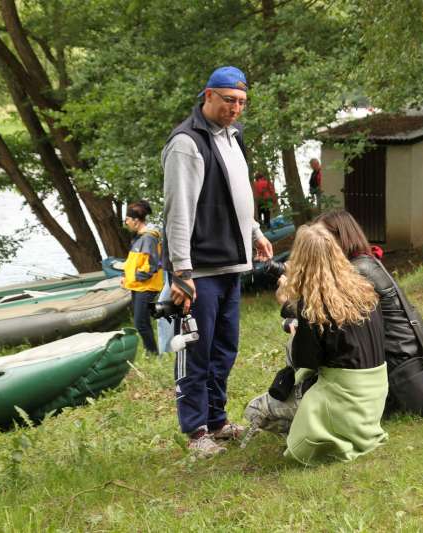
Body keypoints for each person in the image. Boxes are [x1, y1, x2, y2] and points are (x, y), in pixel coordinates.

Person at [162, 65, 273, 458]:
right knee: (197, 350)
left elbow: (239, 195)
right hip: (200, 269)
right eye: (229, 100)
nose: (236, 109)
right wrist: (181, 272)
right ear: (208, 95)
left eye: (242, 102)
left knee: (225, 348)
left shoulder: (234, 137)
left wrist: (256, 234)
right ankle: (196, 432)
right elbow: (178, 213)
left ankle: (218, 420)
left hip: (231, 265)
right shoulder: (186, 143)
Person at [247, 224, 389, 466]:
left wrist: (291, 305)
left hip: (343, 402)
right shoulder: (365, 291)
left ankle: (317, 437)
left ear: (300, 260)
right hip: (373, 400)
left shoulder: (313, 308)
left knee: (254, 410)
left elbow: (303, 360)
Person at [315, 209, 423, 417]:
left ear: (340, 237)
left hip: (399, 369)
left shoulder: (358, 270)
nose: (319, 245)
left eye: (323, 238)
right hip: (409, 359)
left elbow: (322, 314)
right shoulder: (366, 261)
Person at [122, 200, 164, 356]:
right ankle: (151, 351)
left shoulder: (148, 238)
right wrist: (125, 277)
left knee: (141, 322)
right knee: (141, 321)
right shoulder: (139, 238)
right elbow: (134, 262)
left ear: (136, 220)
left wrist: (134, 277)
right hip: (137, 285)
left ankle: (152, 352)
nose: (126, 222)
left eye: (127, 218)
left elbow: (151, 265)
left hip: (146, 286)